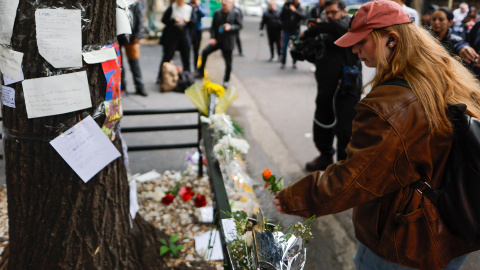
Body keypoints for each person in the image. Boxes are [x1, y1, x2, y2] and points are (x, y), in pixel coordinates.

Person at [273, 0, 480, 269]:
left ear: (391, 39)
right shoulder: (441, 71)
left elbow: (354, 178)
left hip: (405, 241)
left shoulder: (389, 105)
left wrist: (294, 197)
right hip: (452, 229)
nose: (354, 49)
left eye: (362, 41)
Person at [303, 0, 362, 172]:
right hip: (325, 86)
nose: (329, 16)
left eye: (333, 12)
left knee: (344, 127)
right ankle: (325, 155)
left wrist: (310, 31)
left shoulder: (347, 25)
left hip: (346, 87)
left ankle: (342, 169)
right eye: (326, 13)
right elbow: (316, 53)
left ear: (343, 11)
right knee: (322, 120)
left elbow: (336, 28)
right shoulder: (325, 28)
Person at [196, 0, 243, 88]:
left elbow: (239, 26)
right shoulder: (217, 12)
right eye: (223, 3)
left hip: (228, 41)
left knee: (228, 63)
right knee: (205, 52)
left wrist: (230, 27)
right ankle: (200, 71)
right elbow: (213, 27)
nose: (224, 4)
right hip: (217, 40)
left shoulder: (235, 13)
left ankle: (226, 81)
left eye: (226, 3)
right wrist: (213, 37)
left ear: (230, 4)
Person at [156, 0, 193, 84]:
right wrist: (173, 20)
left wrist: (188, 21)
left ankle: (187, 77)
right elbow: (164, 19)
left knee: (186, 57)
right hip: (173, 35)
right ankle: (161, 76)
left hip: (184, 35)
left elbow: (193, 23)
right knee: (167, 56)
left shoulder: (189, 9)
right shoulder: (172, 7)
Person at [118, 1, 148, 96]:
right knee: (119, 63)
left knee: (134, 63)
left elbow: (139, 18)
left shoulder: (135, 3)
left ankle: (140, 86)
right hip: (118, 36)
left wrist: (138, 35)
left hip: (132, 36)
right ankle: (121, 86)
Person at [279, 0, 306, 69]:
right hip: (286, 30)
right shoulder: (287, 6)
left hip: (295, 31)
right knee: (284, 46)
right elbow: (281, 16)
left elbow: (303, 16)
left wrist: (294, 11)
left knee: (296, 46)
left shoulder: (300, 8)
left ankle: (294, 62)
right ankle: (283, 61)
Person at [189, 0, 208, 71]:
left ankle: (195, 66)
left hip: (197, 30)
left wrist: (198, 5)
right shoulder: (188, 4)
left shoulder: (201, 5)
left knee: (196, 49)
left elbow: (204, 14)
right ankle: (187, 68)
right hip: (189, 30)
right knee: (187, 48)